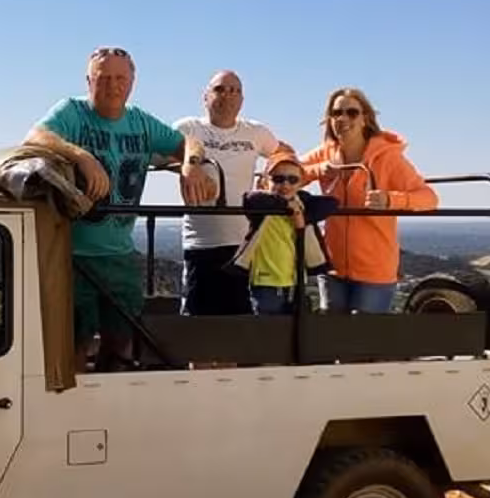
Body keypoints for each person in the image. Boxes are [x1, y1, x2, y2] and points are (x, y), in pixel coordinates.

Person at [26, 47, 217, 368]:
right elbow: (35, 137)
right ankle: (69, 413)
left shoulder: (140, 122)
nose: (113, 85)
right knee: (72, 344)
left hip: (119, 254)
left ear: (132, 82)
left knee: (122, 343)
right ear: (89, 81)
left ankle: (107, 411)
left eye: (120, 78)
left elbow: (189, 142)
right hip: (72, 254)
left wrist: (191, 164)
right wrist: (82, 156)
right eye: (104, 78)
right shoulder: (73, 113)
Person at [299, 88, 437, 313]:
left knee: (364, 344)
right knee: (331, 341)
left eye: (352, 112)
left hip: (374, 272)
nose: (343, 118)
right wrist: (318, 170)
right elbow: (285, 174)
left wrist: (390, 200)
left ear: (365, 118)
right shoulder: (325, 153)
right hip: (332, 269)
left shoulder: (388, 158)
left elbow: (429, 198)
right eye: (336, 113)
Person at [172, 70, 295, 315]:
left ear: (242, 100)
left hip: (243, 246)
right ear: (205, 97)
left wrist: (271, 181)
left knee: (240, 324)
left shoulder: (255, 132)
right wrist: (187, 169)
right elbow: (157, 156)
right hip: (201, 244)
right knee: (197, 322)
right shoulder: (188, 128)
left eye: (234, 90)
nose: (227, 95)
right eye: (219, 89)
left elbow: (286, 154)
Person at [231, 153, 339, 315]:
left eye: (293, 180)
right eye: (278, 179)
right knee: (268, 331)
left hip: (295, 282)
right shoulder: (262, 207)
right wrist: (289, 207)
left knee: (293, 333)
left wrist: (301, 215)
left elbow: (331, 203)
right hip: (266, 282)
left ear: (301, 183)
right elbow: (251, 199)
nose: (286, 184)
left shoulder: (302, 205)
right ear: (266, 181)